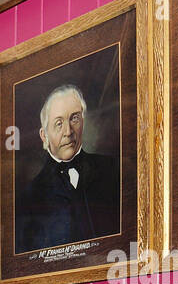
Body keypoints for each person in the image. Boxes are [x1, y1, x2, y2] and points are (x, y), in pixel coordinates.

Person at [17, 84, 119, 253]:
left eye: (74, 118)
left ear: (83, 122)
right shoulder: (28, 198)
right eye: (58, 123)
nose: (68, 131)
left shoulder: (113, 170)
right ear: (44, 136)